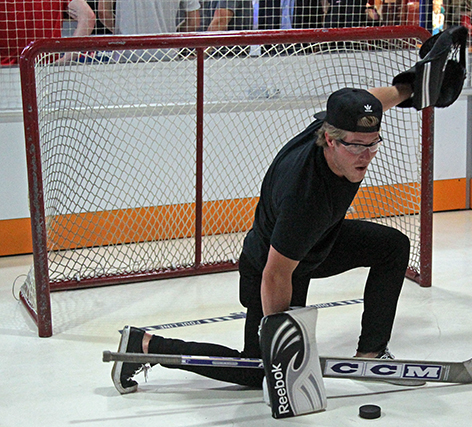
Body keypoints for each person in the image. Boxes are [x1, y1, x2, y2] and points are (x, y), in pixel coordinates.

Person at [111, 83, 416, 394]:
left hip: (316, 243)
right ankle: (146, 345)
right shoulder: (306, 198)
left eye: (372, 144)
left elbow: (371, 104)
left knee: (392, 247)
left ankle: (371, 354)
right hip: (270, 268)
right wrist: (280, 349)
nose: (365, 156)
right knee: (260, 370)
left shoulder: (339, 127)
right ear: (330, 139)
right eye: (355, 147)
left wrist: (410, 86)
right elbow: (276, 273)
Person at [0, 0, 95, 65]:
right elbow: (87, 16)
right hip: (46, 71)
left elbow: (88, 16)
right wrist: (67, 59)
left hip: (6, 69)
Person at [97, 0, 200, 35]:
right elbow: (193, 22)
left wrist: (122, 32)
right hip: (166, 53)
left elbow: (103, 12)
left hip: (126, 52)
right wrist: (173, 36)